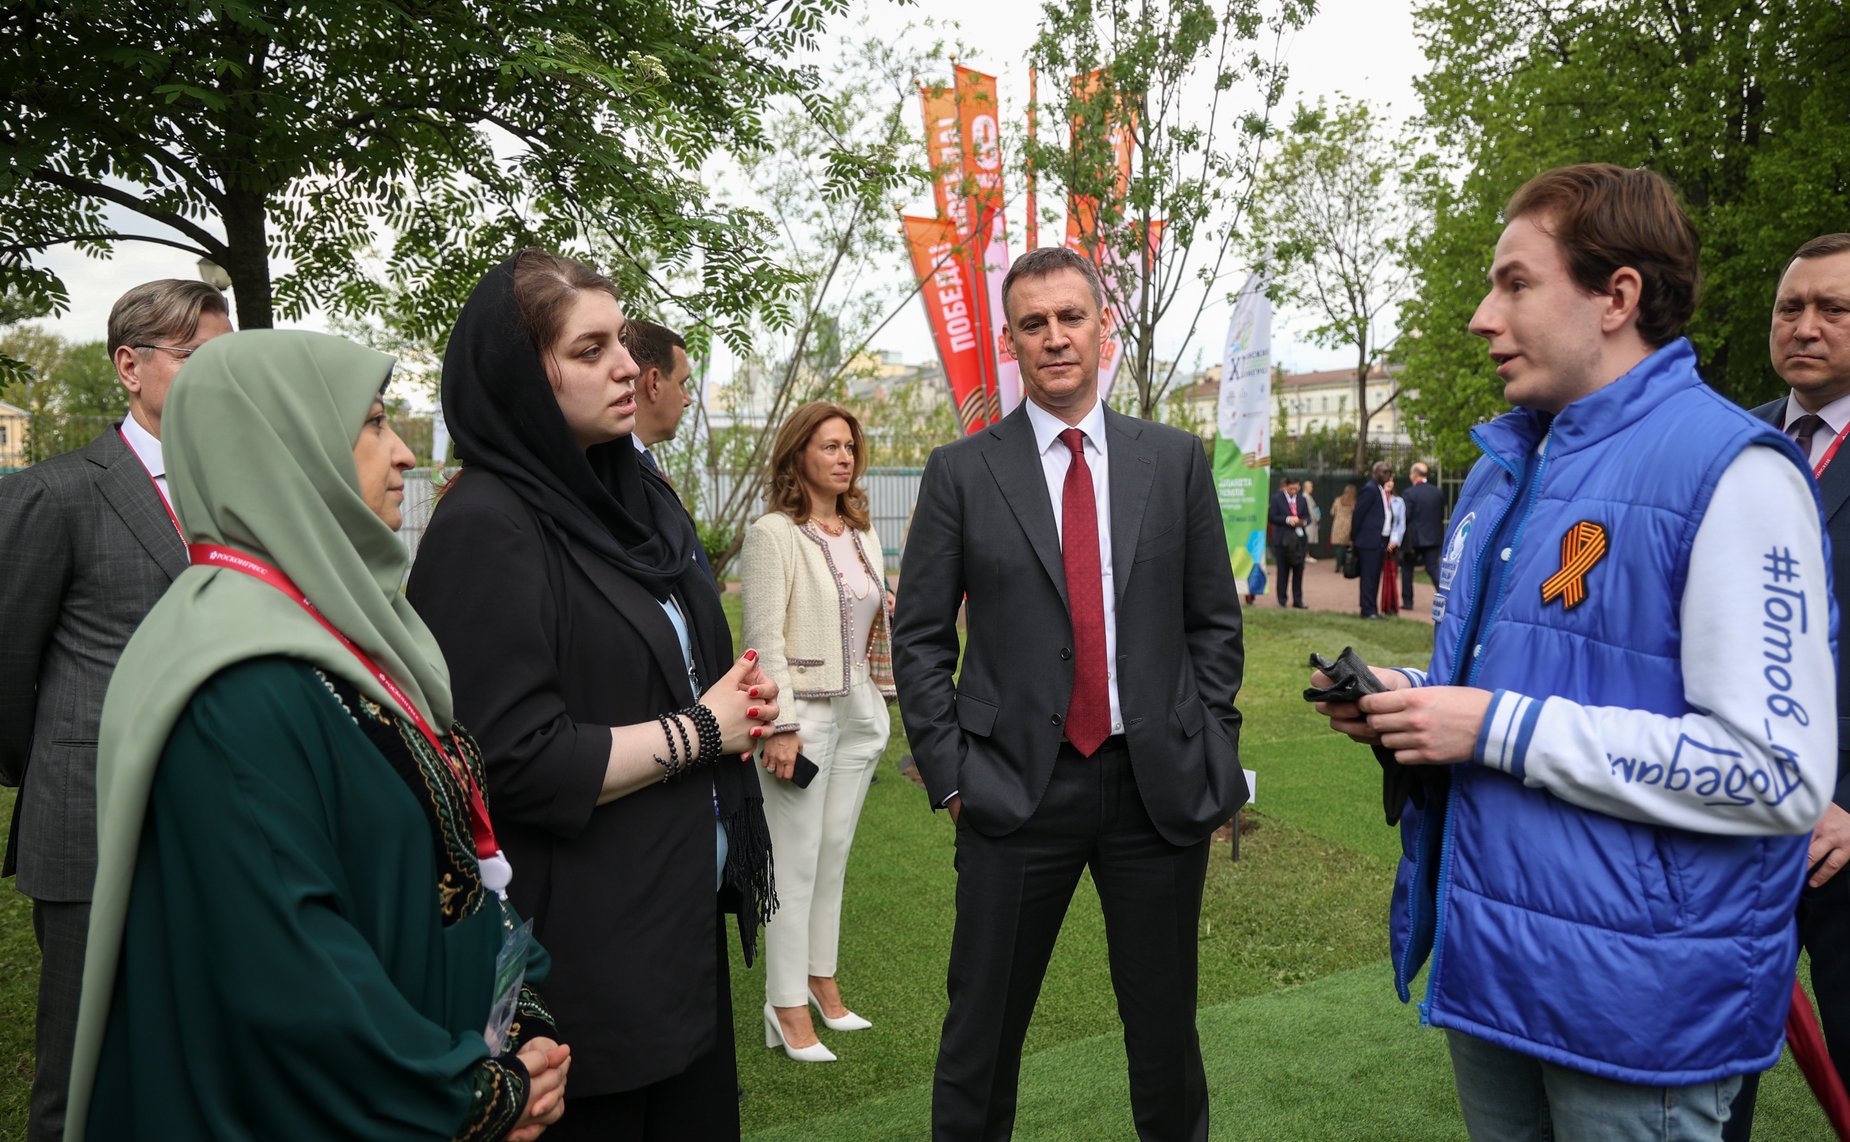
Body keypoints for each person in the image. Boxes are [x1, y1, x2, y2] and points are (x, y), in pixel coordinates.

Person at [1312, 164, 1835, 1140]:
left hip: (1638, 1011)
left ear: (1615, 297)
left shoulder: (1732, 474)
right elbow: (1516, 684)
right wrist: (1411, 697)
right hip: (1492, 969)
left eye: (1513, 282)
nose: (1480, 315)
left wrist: (1490, 725)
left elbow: (1774, 774)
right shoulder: (1507, 467)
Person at [64, 330, 570, 1140]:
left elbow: (447, 869)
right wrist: (477, 1097)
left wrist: (522, 1019)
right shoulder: (234, 687)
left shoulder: (343, 636)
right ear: (284, 449)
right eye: (373, 423)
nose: (404, 454)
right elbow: (291, 974)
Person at [406, 250, 779, 1139]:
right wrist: (702, 727)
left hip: (676, 920)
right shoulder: (487, 525)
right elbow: (512, 758)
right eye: (590, 348)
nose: (625, 365)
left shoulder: (628, 499)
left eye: (622, 338)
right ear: (519, 376)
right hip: (585, 949)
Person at [892, 246, 1245, 1142]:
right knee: (980, 1040)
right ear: (1011, 342)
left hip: (1154, 790)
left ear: (1102, 327)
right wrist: (951, 772)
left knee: (1167, 1041)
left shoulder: (1174, 460)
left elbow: (1214, 625)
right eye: (1033, 324)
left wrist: (1210, 745)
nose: (1055, 337)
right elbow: (922, 638)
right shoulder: (961, 472)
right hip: (1014, 791)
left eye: (1071, 317)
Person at [0, 279, 229, 1142]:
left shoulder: (242, 490)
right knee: (78, 1071)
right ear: (130, 366)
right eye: (199, 359)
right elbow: (7, 663)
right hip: (86, 824)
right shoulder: (57, 493)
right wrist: (56, 764)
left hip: (215, 820)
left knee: (185, 1050)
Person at [1729, 232, 1850, 1140]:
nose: (1804, 326)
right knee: (1713, 1079)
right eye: (1789, 307)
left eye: (1834, 310)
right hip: (1729, 830)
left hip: (1843, 841)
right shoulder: (1732, 443)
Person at [739, 401, 895, 1062]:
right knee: (793, 866)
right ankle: (784, 1003)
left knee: (832, 857)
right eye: (829, 446)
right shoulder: (773, 533)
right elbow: (762, 640)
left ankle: (820, 978)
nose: (843, 458)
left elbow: (876, 625)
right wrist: (780, 727)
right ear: (798, 453)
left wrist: (879, 702)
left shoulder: (863, 534)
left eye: (850, 447)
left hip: (860, 712)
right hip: (801, 718)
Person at [623, 317, 714, 581]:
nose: (687, 400)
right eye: (682, 383)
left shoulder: (645, 470)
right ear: (653, 383)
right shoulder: (624, 479)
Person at [1399, 462, 1445, 611]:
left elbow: (1406, 516)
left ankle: (1408, 601)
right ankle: (1445, 595)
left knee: (1407, 569)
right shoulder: (1437, 492)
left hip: (1415, 539)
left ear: (1415, 475)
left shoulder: (1409, 493)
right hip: (1433, 537)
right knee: (1432, 568)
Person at [1351, 460, 1392, 616]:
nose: (1387, 474)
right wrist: (1354, 537)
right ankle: (1367, 610)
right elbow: (1358, 514)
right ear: (1375, 473)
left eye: (1389, 471)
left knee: (1375, 576)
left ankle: (1372, 608)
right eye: (1384, 471)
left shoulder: (1381, 490)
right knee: (1368, 577)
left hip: (1380, 540)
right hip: (1368, 541)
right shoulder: (1369, 489)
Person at [1267, 474, 1309, 608]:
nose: (1294, 491)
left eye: (1296, 489)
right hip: (1283, 540)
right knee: (1283, 571)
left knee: (1299, 570)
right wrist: (1287, 519)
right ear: (1286, 487)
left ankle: (1298, 600)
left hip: (1299, 540)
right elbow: (1272, 517)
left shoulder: (1302, 499)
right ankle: (1282, 600)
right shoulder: (1277, 499)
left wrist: (1302, 521)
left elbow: (1307, 516)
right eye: (1291, 489)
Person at [1379, 475, 1405, 617]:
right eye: (1386, 480)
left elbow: (1401, 523)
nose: (1389, 483)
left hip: (1392, 543)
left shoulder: (1398, 501)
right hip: (1378, 541)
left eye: (1391, 480)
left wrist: (1394, 541)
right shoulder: (1377, 499)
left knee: (1391, 573)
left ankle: (1390, 605)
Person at [1329, 483, 1356, 573]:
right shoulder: (1354, 502)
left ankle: (1338, 564)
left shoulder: (1338, 500)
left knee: (1337, 545)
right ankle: (1345, 564)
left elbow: (1332, 512)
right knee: (1346, 545)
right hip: (1348, 524)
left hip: (1338, 524)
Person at [1302, 478, 1322, 561]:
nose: (1312, 488)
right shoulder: (1305, 497)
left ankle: (1307, 555)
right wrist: (1317, 518)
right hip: (1309, 521)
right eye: (1310, 486)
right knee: (1307, 538)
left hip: (1312, 521)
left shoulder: (1309, 497)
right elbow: (1311, 510)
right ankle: (1306, 555)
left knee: (1308, 538)